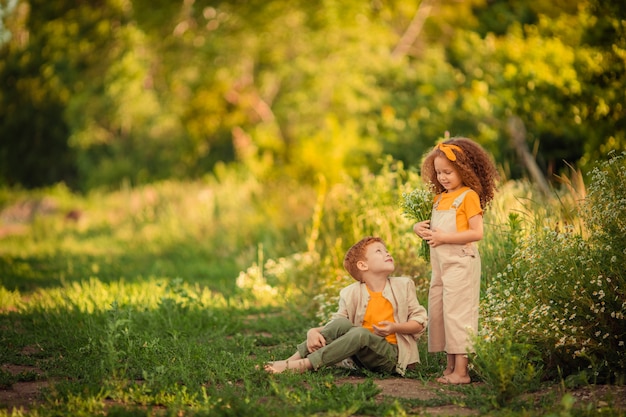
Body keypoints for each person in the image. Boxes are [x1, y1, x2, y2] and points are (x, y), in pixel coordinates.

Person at [263, 236, 428, 376]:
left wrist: (395, 327)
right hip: (362, 357)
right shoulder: (350, 292)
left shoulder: (404, 285)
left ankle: (303, 365)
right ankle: (291, 360)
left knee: (360, 333)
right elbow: (337, 324)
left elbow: (420, 322)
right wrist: (312, 332)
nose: (387, 253)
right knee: (343, 324)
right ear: (363, 265)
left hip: (394, 357)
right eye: (379, 251)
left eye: (386, 250)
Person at [413, 137, 498, 384]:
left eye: (448, 172)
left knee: (458, 313)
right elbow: (435, 230)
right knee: (440, 310)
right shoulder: (440, 198)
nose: (442, 177)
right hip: (441, 265)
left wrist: (445, 237)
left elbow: (477, 233)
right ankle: (450, 367)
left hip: (461, 261)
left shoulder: (468, 196)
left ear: (464, 170)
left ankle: (462, 372)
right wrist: (418, 228)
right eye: (438, 172)